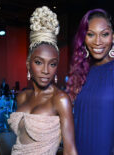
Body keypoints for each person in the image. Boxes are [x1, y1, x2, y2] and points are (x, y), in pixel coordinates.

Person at [66, 8, 114, 154]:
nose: (97, 41)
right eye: (90, 34)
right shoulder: (82, 71)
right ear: (83, 38)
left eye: (104, 34)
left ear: (113, 37)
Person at [7, 6, 77, 155]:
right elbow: (20, 141)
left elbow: (70, 150)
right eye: (38, 62)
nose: (46, 70)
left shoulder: (60, 100)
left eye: (52, 64)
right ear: (28, 64)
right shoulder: (22, 97)